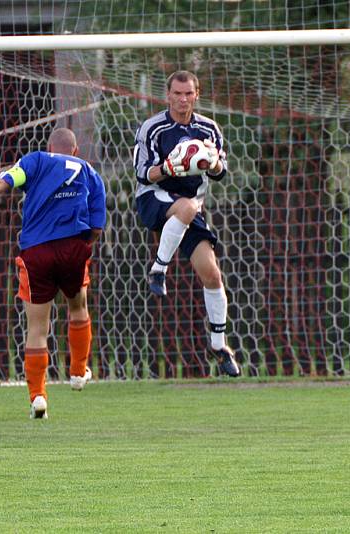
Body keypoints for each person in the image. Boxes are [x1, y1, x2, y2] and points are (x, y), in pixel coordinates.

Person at [0, 128, 106, 419]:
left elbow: (3, 182)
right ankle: (77, 372)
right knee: (79, 307)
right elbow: (96, 227)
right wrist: (80, 249)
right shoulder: (90, 172)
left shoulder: (35, 161)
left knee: (37, 328)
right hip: (73, 247)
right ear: (74, 151)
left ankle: (38, 397)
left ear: (49, 146)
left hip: (37, 252)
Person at [133, 69, 240, 378]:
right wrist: (169, 166)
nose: (182, 99)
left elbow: (220, 172)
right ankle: (158, 269)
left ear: (197, 95)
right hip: (154, 197)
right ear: (168, 95)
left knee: (211, 273)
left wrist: (213, 161)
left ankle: (220, 348)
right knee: (185, 208)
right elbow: (143, 174)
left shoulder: (208, 128)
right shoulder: (153, 128)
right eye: (177, 94)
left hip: (190, 208)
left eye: (188, 94)